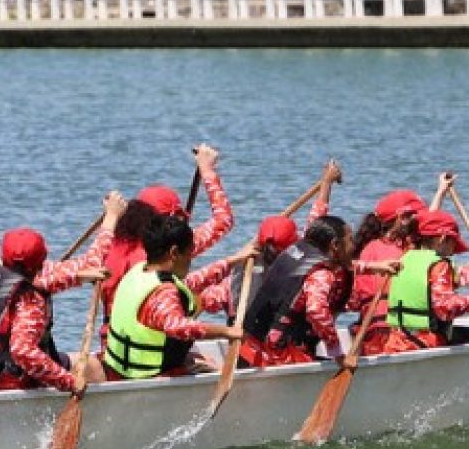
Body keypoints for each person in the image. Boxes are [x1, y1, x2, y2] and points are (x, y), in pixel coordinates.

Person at [0, 192, 126, 392]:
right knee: (94, 368)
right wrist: (69, 382)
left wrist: (110, 218)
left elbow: (79, 268)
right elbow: (23, 352)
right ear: (41, 260)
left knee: (71, 360)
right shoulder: (30, 297)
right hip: (5, 381)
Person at [100, 215, 253, 381]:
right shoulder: (163, 293)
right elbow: (179, 327)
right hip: (145, 377)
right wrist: (227, 332)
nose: (190, 260)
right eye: (189, 254)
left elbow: (190, 282)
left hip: (120, 366)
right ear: (174, 253)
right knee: (209, 366)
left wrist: (233, 261)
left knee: (198, 358)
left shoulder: (140, 270)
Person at [239, 215, 400, 370]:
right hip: (277, 356)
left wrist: (375, 267)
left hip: (251, 344)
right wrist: (338, 354)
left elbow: (339, 265)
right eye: (350, 240)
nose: (354, 245)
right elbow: (317, 311)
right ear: (335, 245)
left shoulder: (297, 250)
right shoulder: (321, 273)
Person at [101, 144, 235, 324]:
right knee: (225, 288)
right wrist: (207, 171)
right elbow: (223, 220)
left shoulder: (109, 245)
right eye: (176, 220)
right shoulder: (163, 245)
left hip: (112, 341)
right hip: (146, 336)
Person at [203, 160, 342, 322]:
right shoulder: (299, 266)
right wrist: (326, 185)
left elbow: (209, 301)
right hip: (282, 343)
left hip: (245, 342)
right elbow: (315, 229)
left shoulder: (239, 272)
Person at [352, 174, 456, 354]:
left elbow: (428, 226)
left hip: (372, 332)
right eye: (415, 217)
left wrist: (441, 192)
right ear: (401, 218)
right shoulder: (403, 252)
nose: (420, 221)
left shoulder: (367, 248)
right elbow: (427, 228)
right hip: (392, 332)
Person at [382, 210, 469, 352]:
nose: (453, 251)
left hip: (397, 340)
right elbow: (447, 309)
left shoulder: (406, 257)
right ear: (442, 239)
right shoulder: (439, 265)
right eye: (453, 243)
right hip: (424, 342)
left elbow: (458, 276)